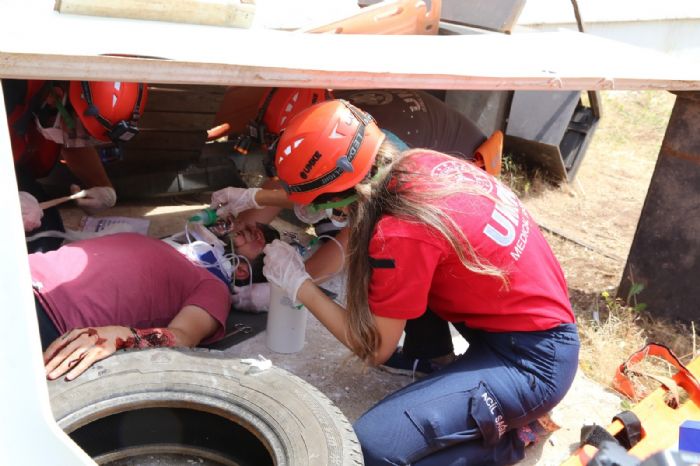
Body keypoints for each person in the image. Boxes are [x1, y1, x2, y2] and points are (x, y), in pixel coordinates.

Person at [257, 100, 579, 465]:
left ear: (339, 190)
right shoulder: (419, 163)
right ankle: (433, 359)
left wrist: (300, 284)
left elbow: (372, 346)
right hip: (527, 324)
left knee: (374, 446)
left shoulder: (399, 231)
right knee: (397, 275)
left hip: (533, 363)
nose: (314, 212)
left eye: (316, 202)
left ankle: (512, 436)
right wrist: (255, 197)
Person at [213, 88, 503, 310]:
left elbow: (356, 234)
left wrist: (293, 285)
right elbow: (297, 186)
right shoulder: (339, 120)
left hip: (467, 180)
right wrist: (249, 205)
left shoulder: (381, 160)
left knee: (365, 242)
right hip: (436, 172)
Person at [34, 221, 274, 382]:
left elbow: (182, 337)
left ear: (242, 271)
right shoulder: (176, 247)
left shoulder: (213, 286)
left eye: (257, 238)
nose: (248, 230)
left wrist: (124, 337)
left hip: (47, 316)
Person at [4, 79, 147, 253]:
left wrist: (104, 188)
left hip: (12, 169)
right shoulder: (10, 86)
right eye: (80, 127)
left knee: (48, 233)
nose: (80, 136)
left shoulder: (63, 89)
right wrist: (5, 199)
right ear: (55, 96)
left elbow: (73, 139)